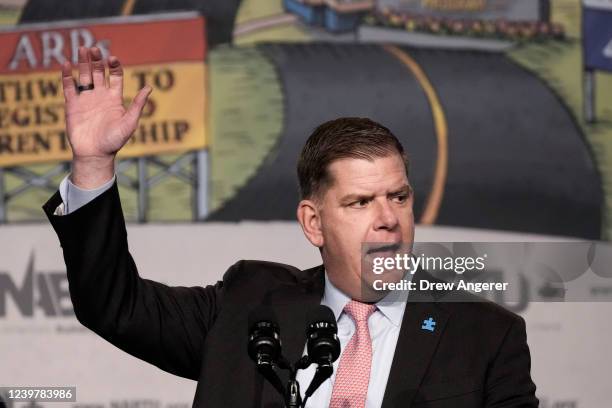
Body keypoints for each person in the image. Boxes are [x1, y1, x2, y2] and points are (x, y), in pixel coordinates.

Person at [43, 46, 539, 407]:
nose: (388, 219)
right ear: (313, 222)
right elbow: (113, 305)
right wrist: (92, 165)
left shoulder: (486, 336)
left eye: (399, 197)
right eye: (361, 202)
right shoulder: (246, 306)